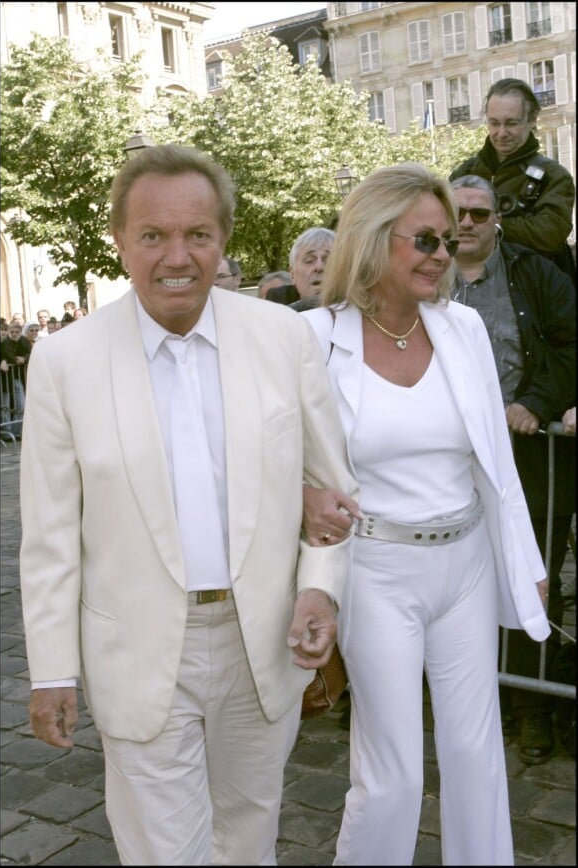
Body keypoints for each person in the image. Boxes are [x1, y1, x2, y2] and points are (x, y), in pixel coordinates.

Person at [19, 144, 357, 866]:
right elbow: (49, 536)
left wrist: (319, 593)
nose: (178, 256)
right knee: (166, 853)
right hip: (137, 649)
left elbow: (331, 495)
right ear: (120, 240)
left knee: (248, 836)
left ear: (222, 239)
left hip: (261, 639)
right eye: (153, 236)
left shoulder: (282, 337)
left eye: (197, 235)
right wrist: (52, 669)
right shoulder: (65, 360)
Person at [299, 162, 550, 866]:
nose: (445, 255)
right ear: (375, 241)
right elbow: (283, 457)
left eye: (446, 241)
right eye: (426, 242)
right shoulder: (317, 337)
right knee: (393, 772)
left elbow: (495, 464)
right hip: (376, 568)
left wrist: (522, 564)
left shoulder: (461, 328)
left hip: (465, 563)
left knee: (476, 753)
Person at [449, 173, 576, 763]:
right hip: (449, 464)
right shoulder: (422, 275)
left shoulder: (535, 273)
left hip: (530, 456)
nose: (467, 223)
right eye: (458, 213)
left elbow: (572, 344)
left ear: (498, 218)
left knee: (533, 577)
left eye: (479, 212)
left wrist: (537, 403)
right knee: (461, 580)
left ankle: (532, 711)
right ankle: (480, 700)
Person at [449, 78, 576, 282]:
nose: (501, 133)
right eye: (494, 123)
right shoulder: (465, 172)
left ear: (532, 119)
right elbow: (442, 222)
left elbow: (550, 235)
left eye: (511, 123)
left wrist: (489, 225)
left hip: (533, 289)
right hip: (471, 284)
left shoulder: (554, 175)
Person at [266, 227, 335, 308]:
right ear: (293, 276)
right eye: (309, 260)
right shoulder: (275, 314)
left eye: (328, 260)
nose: (319, 267)